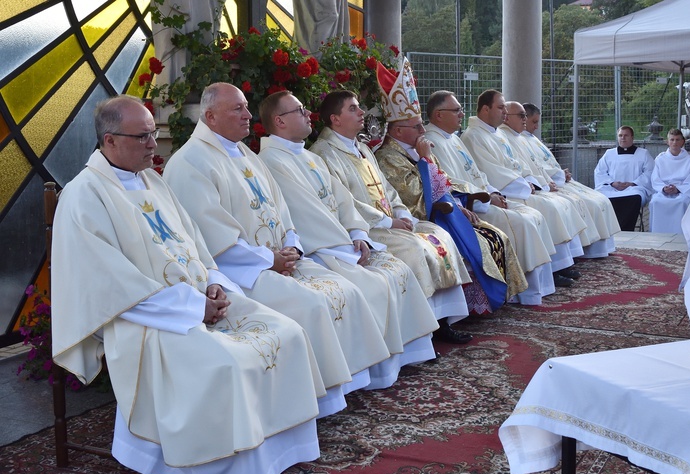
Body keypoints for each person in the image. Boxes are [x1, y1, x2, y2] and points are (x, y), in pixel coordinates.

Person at [51, 95, 324, 474]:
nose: (152, 144)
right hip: (143, 318)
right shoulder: (84, 195)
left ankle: (276, 452)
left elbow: (194, 244)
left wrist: (213, 281)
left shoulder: (151, 180)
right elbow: (108, 284)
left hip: (197, 299)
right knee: (227, 362)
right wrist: (195, 306)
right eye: (142, 136)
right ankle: (221, 471)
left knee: (287, 332)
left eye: (152, 134)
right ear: (109, 141)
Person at [163, 82, 392, 404]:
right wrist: (267, 260)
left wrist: (293, 247)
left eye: (245, 107)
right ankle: (317, 399)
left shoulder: (245, 154)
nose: (247, 115)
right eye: (237, 109)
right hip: (241, 271)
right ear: (210, 116)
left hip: (281, 260)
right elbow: (211, 234)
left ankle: (346, 386)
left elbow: (281, 210)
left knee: (348, 290)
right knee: (313, 304)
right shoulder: (190, 162)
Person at [257, 90, 440, 383]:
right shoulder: (273, 160)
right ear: (279, 121)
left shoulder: (305, 155)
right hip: (323, 247)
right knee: (371, 282)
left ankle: (398, 359)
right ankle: (374, 371)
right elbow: (308, 213)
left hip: (343, 240)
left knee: (396, 270)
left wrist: (358, 233)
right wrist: (347, 246)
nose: (307, 114)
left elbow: (342, 200)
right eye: (299, 110)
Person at [309, 89, 473, 343]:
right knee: (416, 248)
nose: (361, 112)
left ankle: (442, 320)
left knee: (439, 234)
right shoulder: (324, 153)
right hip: (367, 228)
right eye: (353, 108)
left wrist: (400, 212)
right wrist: (387, 221)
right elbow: (343, 201)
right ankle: (422, 333)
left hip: (390, 222)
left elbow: (386, 187)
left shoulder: (362, 148)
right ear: (335, 119)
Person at [373, 60, 528, 315]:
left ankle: (483, 304)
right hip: (427, 218)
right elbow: (416, 198)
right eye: (417, 126)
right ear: (399, 130)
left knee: (495, 235)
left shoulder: (417, 147)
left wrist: (459, 202)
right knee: (475, 242)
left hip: (448, 211)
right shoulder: (388, 156)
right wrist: (424, 162)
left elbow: (443, 180)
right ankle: (455, 314)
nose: (423, 129)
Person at [425, 90, 556, 305]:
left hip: (485, 198)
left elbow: (478, 173)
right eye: (456, 110)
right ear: (439, 115)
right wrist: (486, 197)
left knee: (533, 214)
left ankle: (538, 288)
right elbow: (448, 183)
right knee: (522, 222)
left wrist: (493, 191)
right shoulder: (433, 141)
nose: (461, 114)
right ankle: (522, 292)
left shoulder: (453, 139)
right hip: (470, 206)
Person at [461, 90, 586, 288]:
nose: (504, 113)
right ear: (485, 109)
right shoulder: (473, 136)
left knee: (553, 206)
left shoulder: (496, 135)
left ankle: (559, 266)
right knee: (542, 212)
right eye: (500, 107)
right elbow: (490, 171)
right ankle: (543, 277)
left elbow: (516, 164)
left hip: (509, 189)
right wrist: (517, 186)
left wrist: (531, 181)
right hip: (504, 192)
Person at [522, 102, 620, 257]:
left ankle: (601, 248)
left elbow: (544, 163)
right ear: (524, 118)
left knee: (600, 199)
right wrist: (559, 174)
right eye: (534, 122)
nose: (537, 127)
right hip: (549, 183)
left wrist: (560, 173)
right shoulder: (519, 140)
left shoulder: (531, 139)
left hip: (556, 179)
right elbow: (531, 167)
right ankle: (585, 250)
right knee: (589, 204)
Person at [594, 125, 655, 231]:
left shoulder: (643, 154)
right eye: (620, 135)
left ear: (632, 137)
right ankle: (607, 229)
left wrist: (633, 183)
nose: (623, 138)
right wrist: (612, 183)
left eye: (626, 135)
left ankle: (625, 229)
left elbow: (650, 172)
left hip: (634, 188)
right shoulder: (609, 154)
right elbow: (599, 172)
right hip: (612, 188)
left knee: (635, 198)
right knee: (600, 198)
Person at [648, 128, 690, 234]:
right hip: (664, 190)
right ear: (667, 142)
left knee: (682, 202)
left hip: (682, 191)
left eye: (678, 139)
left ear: (683, 142)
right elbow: (655, 179)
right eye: (672, 139)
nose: (675, 142)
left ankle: (681, 234)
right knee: (655, 202)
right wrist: (663, 188)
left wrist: (678, 189)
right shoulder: (660, 159)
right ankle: (658, 234)